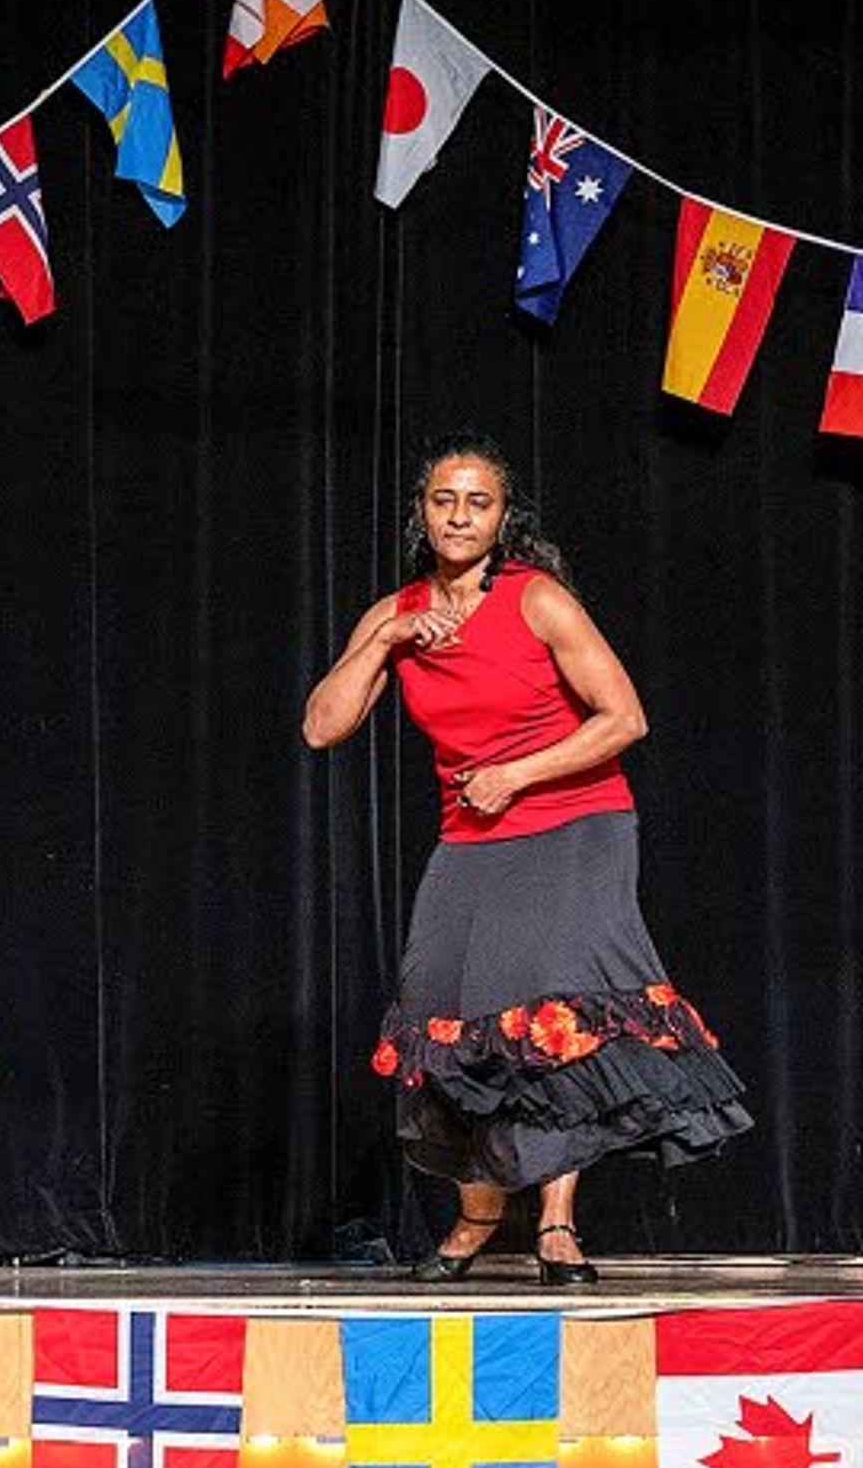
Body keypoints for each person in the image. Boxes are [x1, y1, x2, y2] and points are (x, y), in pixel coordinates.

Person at [300, 435, 749, 1281]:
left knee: (555, 1015)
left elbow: (625, 718)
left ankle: (556, 1223)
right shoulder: (397, 614)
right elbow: (322, 727)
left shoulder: (537, 600)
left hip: (576, 825)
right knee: (445, 1012)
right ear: (422, 513)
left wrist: (518, 773)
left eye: (479, 502)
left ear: (503, 518)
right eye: (444, 500)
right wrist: (385, 639)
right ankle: (477, 1215)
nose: (460, 515)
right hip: (471, 839)